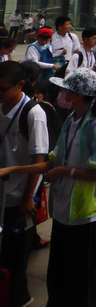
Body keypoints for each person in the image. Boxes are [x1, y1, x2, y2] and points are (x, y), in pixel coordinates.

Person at [0, 69, 96, 307]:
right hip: (64, 211)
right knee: (59, 275)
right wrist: (12, 171)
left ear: (78, 95)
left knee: (81, 280)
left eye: (65, 90)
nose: (61, 94)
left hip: (87, 215)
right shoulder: (72, 120)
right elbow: (51, 160)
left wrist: (64, 172)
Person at [0, 61, 49, 307]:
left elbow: (38, 159)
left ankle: (18, 298)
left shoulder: (33, 113)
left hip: (21, 195)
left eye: (2, 89)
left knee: (17, 253)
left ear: (20, 85)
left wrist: (28, 198)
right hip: (1, 194)